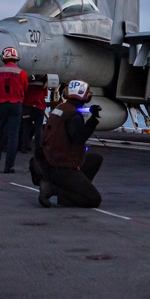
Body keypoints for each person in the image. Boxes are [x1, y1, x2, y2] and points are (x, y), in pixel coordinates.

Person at [32, 79, 102, 208]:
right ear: (85, 96)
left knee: (95, 159)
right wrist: (94, 119)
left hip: (49, 160)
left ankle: (70, 190)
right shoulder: (73, 114)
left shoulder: (60, 108)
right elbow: (79, 138)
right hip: (62, 165)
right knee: (94, 199)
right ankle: (54, 189)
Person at [0, 46, 27, 174]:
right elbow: (25, 87)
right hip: (15, 104)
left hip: (0, 104)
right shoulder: (22, 73)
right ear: (16, 58)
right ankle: (9, 167)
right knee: (13, 137)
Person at [18, 74, 47, 153]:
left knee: (27, 128)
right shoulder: (42, 85)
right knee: (38, 128)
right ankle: (38, 148)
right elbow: (45, 95)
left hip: (28, 107)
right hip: (39, 108)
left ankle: (24, 147)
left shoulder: (27, 85)